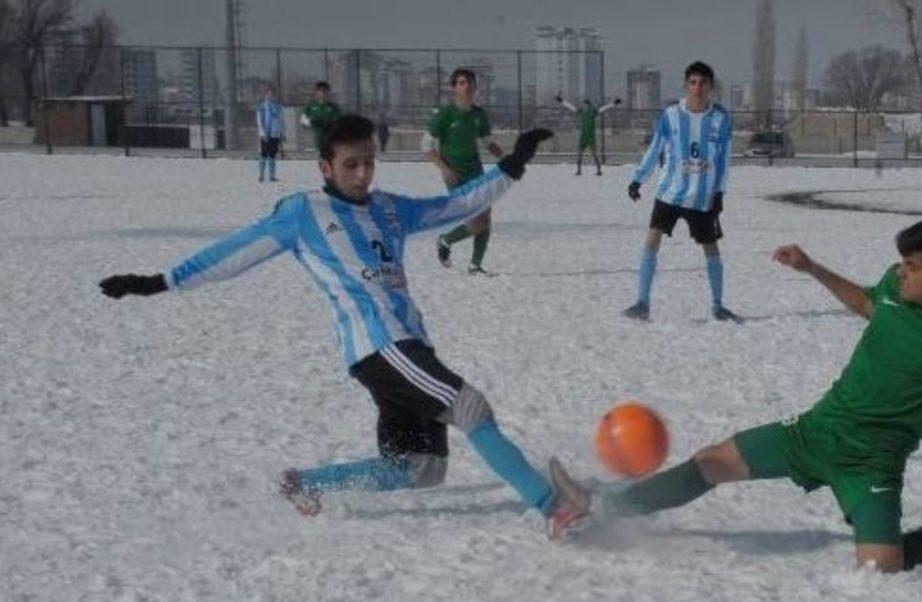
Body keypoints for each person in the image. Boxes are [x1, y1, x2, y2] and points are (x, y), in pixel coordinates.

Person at [549, 217, 922, 573]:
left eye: (911, 267)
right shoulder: (892, 288)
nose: (899, 272)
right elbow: (865, 301)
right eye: (900, 263)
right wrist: (812, 268)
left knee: (880, 567)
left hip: (874, 462)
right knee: (711, 462)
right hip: (818, 430)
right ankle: (609, 508)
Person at [96, 115, 586, 537]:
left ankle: (304, 483)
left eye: (368, 162)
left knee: (421, 469)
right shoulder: (303, 212)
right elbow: (235, 252)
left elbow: (456, 206)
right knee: (469, 405)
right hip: (380, 344)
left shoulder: (388, 208)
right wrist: (159, 282)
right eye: (350, 164)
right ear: (325, 167)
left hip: (406, 345)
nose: (362, 174)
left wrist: (512, 164)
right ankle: (552, 507)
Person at [623, 61, 738, 323]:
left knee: (711, 248)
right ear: (686, 85)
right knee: (652, 239)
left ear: (710, 86)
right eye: (693, 82)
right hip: (670, 193)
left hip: (702, 197)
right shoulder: (671, 115)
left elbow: (724, 159)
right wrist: (638, 179)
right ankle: (642, 303)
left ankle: (718, 306)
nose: (698, 88)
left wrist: (719, 192)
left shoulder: (721, 118)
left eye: (703, 83)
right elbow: (655, 148)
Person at [425, 68, 505, 275]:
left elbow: (488, 143)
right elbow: (426, 146)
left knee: (485, 216)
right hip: (454, 175)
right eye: (461, 83)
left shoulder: (479, 114)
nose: (467, 86)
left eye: (470, 82)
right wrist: (445, 169)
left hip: (475, 172)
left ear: (475, 87)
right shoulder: (445, 114)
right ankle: (446, 240)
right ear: (454, 88)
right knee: (477, 221)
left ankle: (475, 266)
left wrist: (506, 158)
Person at [555, 94, 622, 176]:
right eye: (584, 105)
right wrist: (562, 101)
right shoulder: (582, 112)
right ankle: (579, 170)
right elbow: (571, 107)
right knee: (580, 153)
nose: (585, 106)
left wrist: (614, 103)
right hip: (584, 135)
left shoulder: (592, 112)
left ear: (589, 105)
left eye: (586, 105)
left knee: (594, 153)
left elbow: (603, 109)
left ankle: (598, 170)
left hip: (590, 136)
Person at [300, 81, 341, 150]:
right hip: (314, 139)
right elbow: (304, 122)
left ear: (328, 93)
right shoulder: (309, 107)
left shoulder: (333, 107)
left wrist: (328, 124)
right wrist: (312, 121)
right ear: (316, 92)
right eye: (320, 90)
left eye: (325, 91)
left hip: (330, 139)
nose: (322, 93)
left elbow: (337, 122)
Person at [256, 85, 284, 182]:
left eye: (272, 94)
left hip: (274, 134)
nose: (270, 96)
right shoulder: (262, 107)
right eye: (268, 94)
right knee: (264, 154)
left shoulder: (277, 106)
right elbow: (259, 121)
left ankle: (272, 176)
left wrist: (281, 133)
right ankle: (261, 175)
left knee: (273, 155)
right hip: (265, 135)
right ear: (265, 95)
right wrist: (263, 133)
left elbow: (280, 121)